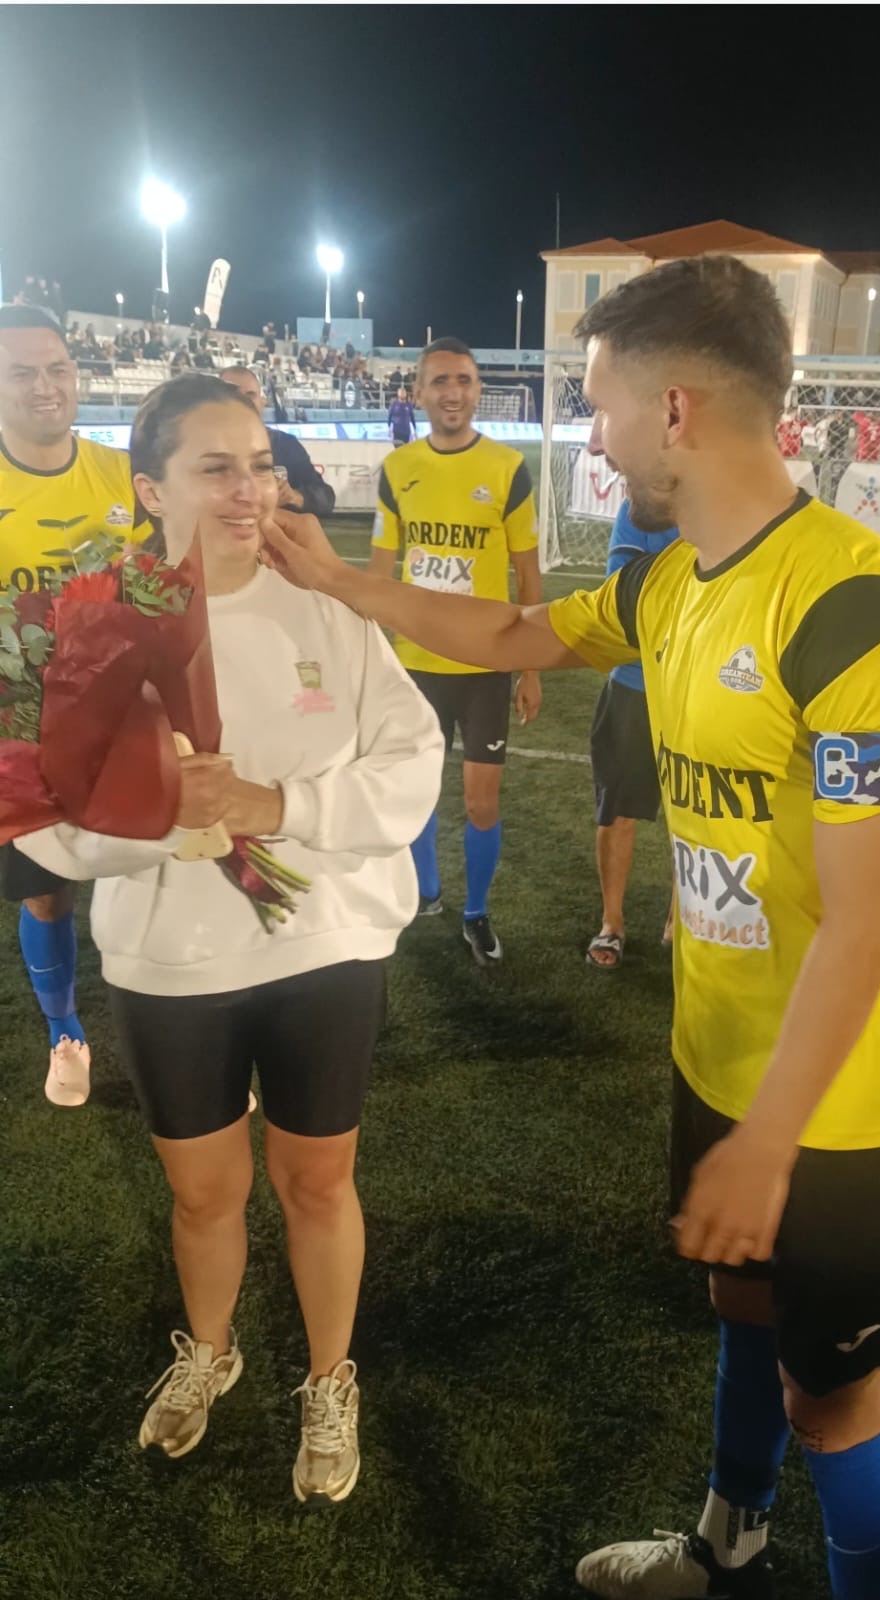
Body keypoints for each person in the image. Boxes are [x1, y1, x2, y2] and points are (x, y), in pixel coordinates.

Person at [261, 257, 880, 1600]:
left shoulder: (857, 605)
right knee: (739, 1308)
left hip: (840, 1107)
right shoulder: (670, 580)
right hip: (718, 1054)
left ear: (675, 408)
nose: (593, 435)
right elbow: (515, 630)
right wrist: (344, 584)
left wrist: (769, 1140)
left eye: (599, 405)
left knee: (832, 1401)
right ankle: (727, 1545)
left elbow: (867, 927)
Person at [13, 373, 443, 1503]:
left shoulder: (330, 607)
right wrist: (162, 820)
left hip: (327, 951)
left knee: (318, 1183)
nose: (251, 489)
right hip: (173, 963)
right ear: (149, 488)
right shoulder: (85, 627)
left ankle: (330, 1377)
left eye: (260, 465)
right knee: (204, 1196)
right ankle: (211, 1350)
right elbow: (46, 818)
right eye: (216, 468)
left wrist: (275, 806)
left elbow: (412, 763)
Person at [0, 302, 148, 1108]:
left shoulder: (123, 476)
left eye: (57, 368)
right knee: (46, 888)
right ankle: (64, 1032)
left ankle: (173, 1032)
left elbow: (162, 590)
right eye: (21, 371)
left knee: (151, 876)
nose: (44, 385)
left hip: (123, 722)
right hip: (20, 734)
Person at [366, 336, 543, 966]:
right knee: (417, 792)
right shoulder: (397, 470)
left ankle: (476, 911)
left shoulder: (507, 467)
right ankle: (427, 891)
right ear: (418, 392)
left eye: (463, 380)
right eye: (440, 380)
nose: (453, 392)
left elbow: (528, 575)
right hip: (416, 663)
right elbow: (380, 572)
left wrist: (530, 665)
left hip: (486, 664)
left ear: (477, 390)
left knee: (479, 801)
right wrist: (372, 658)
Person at [586, 498, 679, 970]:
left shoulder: (723, 508)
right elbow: (621, 594)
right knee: (617, 811)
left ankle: (680, 920)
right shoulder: (640, 508)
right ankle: (612, 922)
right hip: (634, 685)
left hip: (698, 689)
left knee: (696, 817)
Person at [221, 365, 336, 517]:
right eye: (234, 395)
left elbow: (326, 498)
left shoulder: (285, 444)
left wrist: (294, 496)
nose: (244, 402)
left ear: (262, 402)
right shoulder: (198, 446)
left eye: (250, 395)